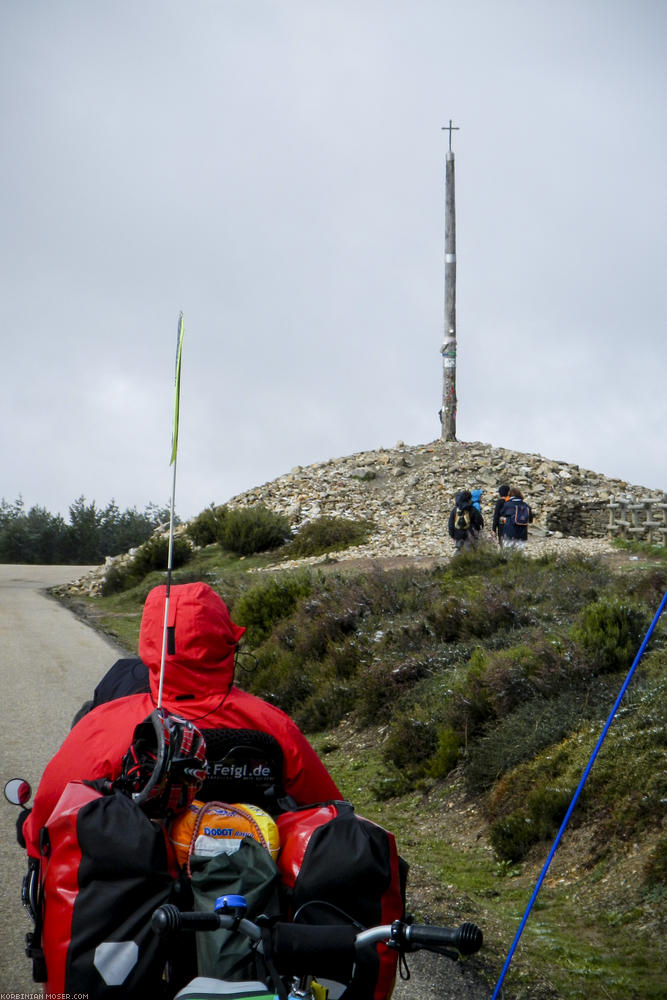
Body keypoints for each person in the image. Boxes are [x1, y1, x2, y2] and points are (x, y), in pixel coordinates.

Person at [22, 581, 342, 859]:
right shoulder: (275, 725)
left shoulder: (102, 727)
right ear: (227, 642)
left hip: (139, 904)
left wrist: (31, 833)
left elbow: (48, 816)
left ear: (150, 644)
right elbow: (331, 815)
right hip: (254, 905)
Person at [448, 489, 483, 555]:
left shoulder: (455, 510)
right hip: (470, 534)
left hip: (458, 535)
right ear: (469, 499)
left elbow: (450, 524)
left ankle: (456, 564)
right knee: (471, 553)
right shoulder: (472, 509)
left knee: (459, 551)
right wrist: (477, 532)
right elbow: (479, 521)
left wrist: (452, 535)